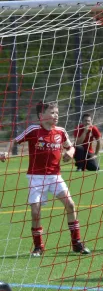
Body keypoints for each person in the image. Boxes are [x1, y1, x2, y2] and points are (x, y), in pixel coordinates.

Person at [0, 101, 91, 256]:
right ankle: (38, 247)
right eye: (52, 112)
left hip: (55, 176)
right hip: (36, 178)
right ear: (41, 116)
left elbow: (71, 147)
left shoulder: (61, 131)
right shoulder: (33, 130)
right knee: (35, 212)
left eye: (57, 113)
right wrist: (6, 152)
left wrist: (70, 153)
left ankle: (76, 243)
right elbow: (14, 141)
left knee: (70, 204)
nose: (56, 115)